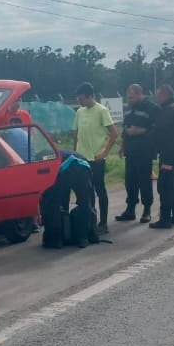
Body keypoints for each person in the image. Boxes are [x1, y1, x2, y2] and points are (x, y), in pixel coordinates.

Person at [72, 82, 118, 233]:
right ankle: (90, 221)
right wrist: (74, 153)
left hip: (96, 158)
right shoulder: (80, 112)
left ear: (89, 96)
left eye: (81, 98)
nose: (79, 101)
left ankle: (103, 223)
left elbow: (114, 133)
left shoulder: (101, 111)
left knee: (100, 189)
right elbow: (76, 133)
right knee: (86, 191)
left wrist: (105, 152)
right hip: (81, 158)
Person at [116, 83, 157, 223]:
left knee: (144, 181)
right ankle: (130, 209)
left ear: (140, 94)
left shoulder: (151, 108)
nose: (129, 99)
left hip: (144, 151)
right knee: (130, 181)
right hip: (130, 150)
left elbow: (157, 129)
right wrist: (122, 146)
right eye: (128, 97)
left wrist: (141, 131)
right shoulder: (127, 109)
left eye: (132, 97)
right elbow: (125, 128)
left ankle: (147, 211)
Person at [41, 150, 98, 248]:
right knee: (85, 203)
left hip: (65, 170)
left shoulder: (42, 158)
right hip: (83, 167)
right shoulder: (55, 153)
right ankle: (83, 238)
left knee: (56, 204)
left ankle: (57, 239)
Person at [150, 84, 174, 229]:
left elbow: (159, 132)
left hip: (169, 155)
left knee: (165, 186)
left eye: (158, 95)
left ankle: (165, 218)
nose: (157, 98)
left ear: (165, 95)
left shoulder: (168, 112)